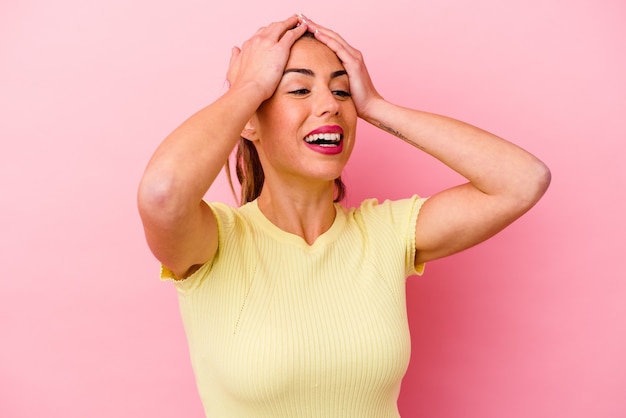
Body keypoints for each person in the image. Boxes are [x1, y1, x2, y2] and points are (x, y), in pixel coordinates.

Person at [137, 14, 550, 418]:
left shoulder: (385, 234)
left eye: (341, 91)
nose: (329, 106)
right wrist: (247, 87)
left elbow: (523, 180)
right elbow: (162, 194)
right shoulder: (214, 243)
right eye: (299, 90)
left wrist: (376, 106)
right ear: (250, 118)